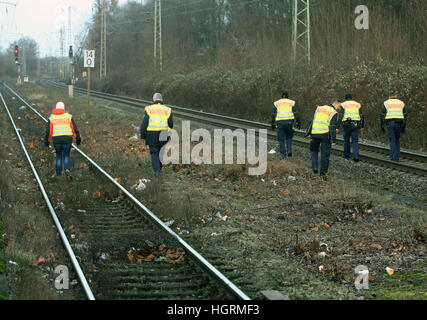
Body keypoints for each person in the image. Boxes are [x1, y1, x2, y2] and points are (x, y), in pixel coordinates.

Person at [45, 101, 81, 179]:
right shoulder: (68, 116)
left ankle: (58, 174)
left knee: (58, 156)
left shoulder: (52, 118)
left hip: (57, 140)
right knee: (66, 155)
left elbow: (49, 132)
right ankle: (67, 169)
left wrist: (47, 142)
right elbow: (74, 129)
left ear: (56, 108)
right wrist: (78, 139)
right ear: (63, 108)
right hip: (67, 140)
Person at [306, 99, 341, 179]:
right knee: (325, 155)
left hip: (315, 134)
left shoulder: (319, 108)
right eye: (339, 106)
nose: (339, 108)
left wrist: (309, 133)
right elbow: (332, 127)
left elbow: (312, 120)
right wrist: (334, 140)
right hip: (325, 135)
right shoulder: (333, 112)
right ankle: (323, 174)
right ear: (335, 103)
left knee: (314, 151)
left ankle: (315, 168)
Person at [140, 93, 173, 176]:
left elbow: (144, 124)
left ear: (153, 99)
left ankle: (157, 172)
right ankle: (159, 169)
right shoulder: (168, 110)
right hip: (164, 133)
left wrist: (143, 135)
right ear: (162, 100)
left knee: (154, 153)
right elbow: (171, 124)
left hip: (152, 134)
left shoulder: (149, 109)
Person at [271, 91, 301, 158]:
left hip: (280, 123)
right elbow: (296, 113)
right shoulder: (291, 102)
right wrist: (298, 123)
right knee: (289, 137)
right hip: (289, 122)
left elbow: (273, 114)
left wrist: (272, 123)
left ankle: (283, 154)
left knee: (281, 139)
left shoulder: (277, 103)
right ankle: (289, 151)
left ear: (281, 97)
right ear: (288, 97)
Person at [338, 93, 365, 162]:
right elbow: (362, 115)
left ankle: (346, 156)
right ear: (351, 98)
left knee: (346, 141)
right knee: (355, 141)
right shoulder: (357, 104)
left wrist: (337, 126)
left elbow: (340, 116)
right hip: (355, 124)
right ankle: (356, 157)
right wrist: (362, 126)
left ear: (345, 98)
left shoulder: (343, 105)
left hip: (346, 125)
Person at [381, 92, 407, 162]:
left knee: (392, 140)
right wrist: (404, 126)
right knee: (397, 140)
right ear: (396, 96)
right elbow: (405, 115)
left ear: (389, 96)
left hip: (390, 123)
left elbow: (382, 115)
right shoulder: (401, 103)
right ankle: (397, 157)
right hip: (399, 124)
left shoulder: (386, 103)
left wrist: (382, 126)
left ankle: (393, 158)